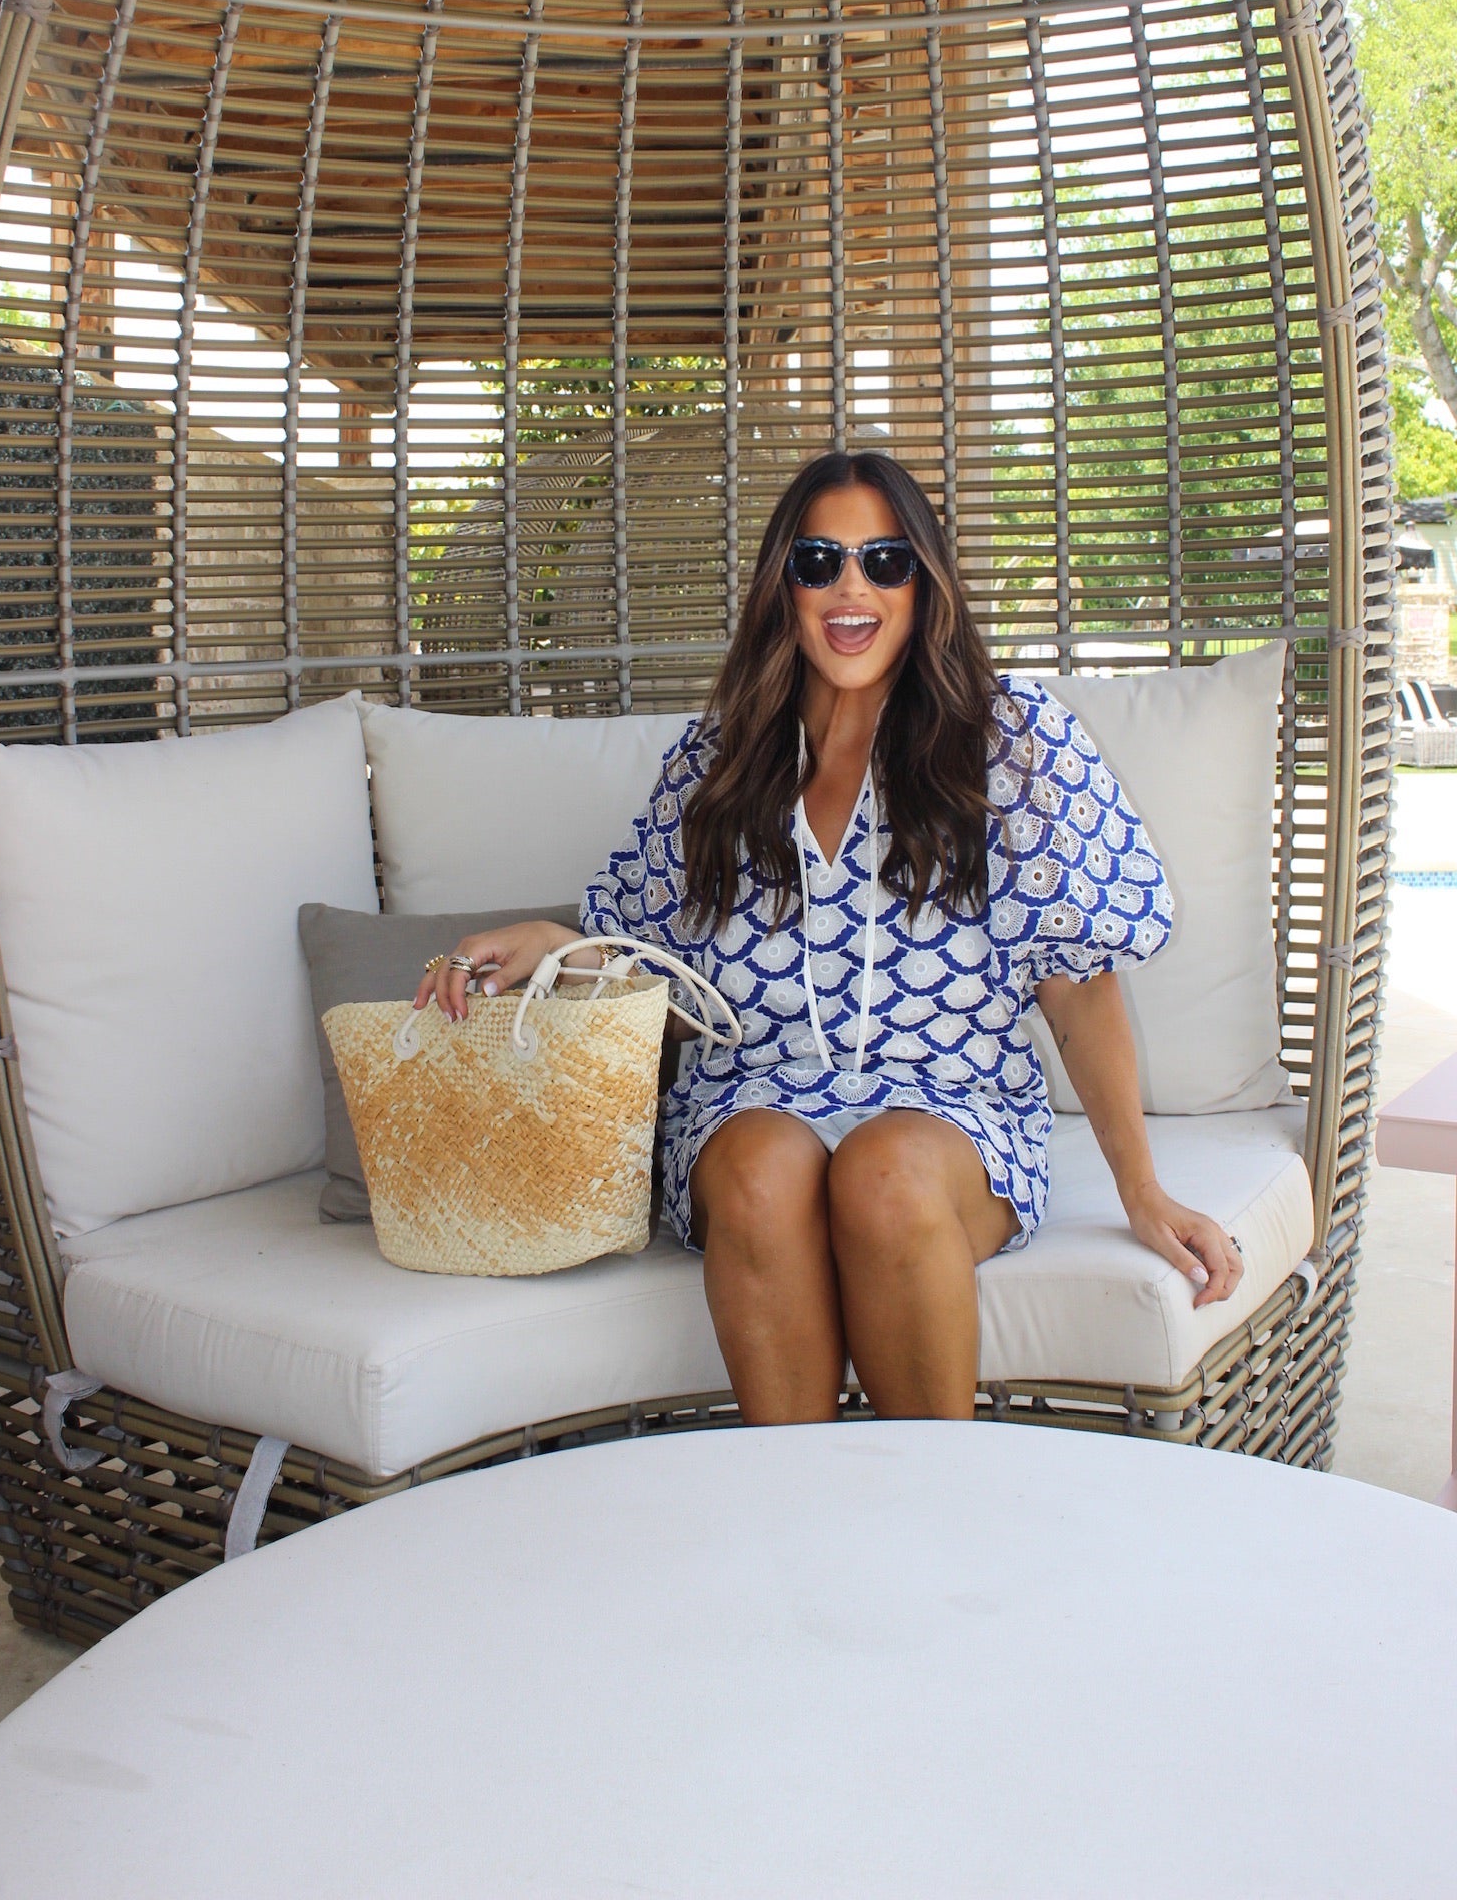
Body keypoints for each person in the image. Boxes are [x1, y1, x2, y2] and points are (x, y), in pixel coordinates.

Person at [415, 450, 1243, 1424]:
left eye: (885, 562)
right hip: (749, 1101)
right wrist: (557, 943)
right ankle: (797, 1497)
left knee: (885, 1174)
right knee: (760, 1172)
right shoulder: (718, 762)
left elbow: (1077, 985)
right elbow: (665, 985)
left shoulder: (1010, 739)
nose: (852, 588)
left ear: (924, 583)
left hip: (953, 1113)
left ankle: (924, 1493)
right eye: (820, 562)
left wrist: (1143, 1192)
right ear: (785, 586)